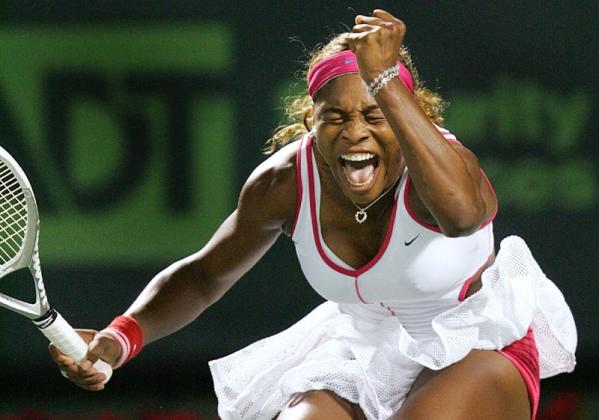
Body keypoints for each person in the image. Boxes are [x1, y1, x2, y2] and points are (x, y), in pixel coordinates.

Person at [49, 9, 576, 420]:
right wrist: (121, 337)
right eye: (336, 117)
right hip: (361, 352)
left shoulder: (443, 166)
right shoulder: (283, 183)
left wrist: (385, 79)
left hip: (476, 341)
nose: (355, 132)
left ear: (405, 112)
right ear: (310, 121)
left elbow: (463, 217)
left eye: (375, 114)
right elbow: (207, 273)